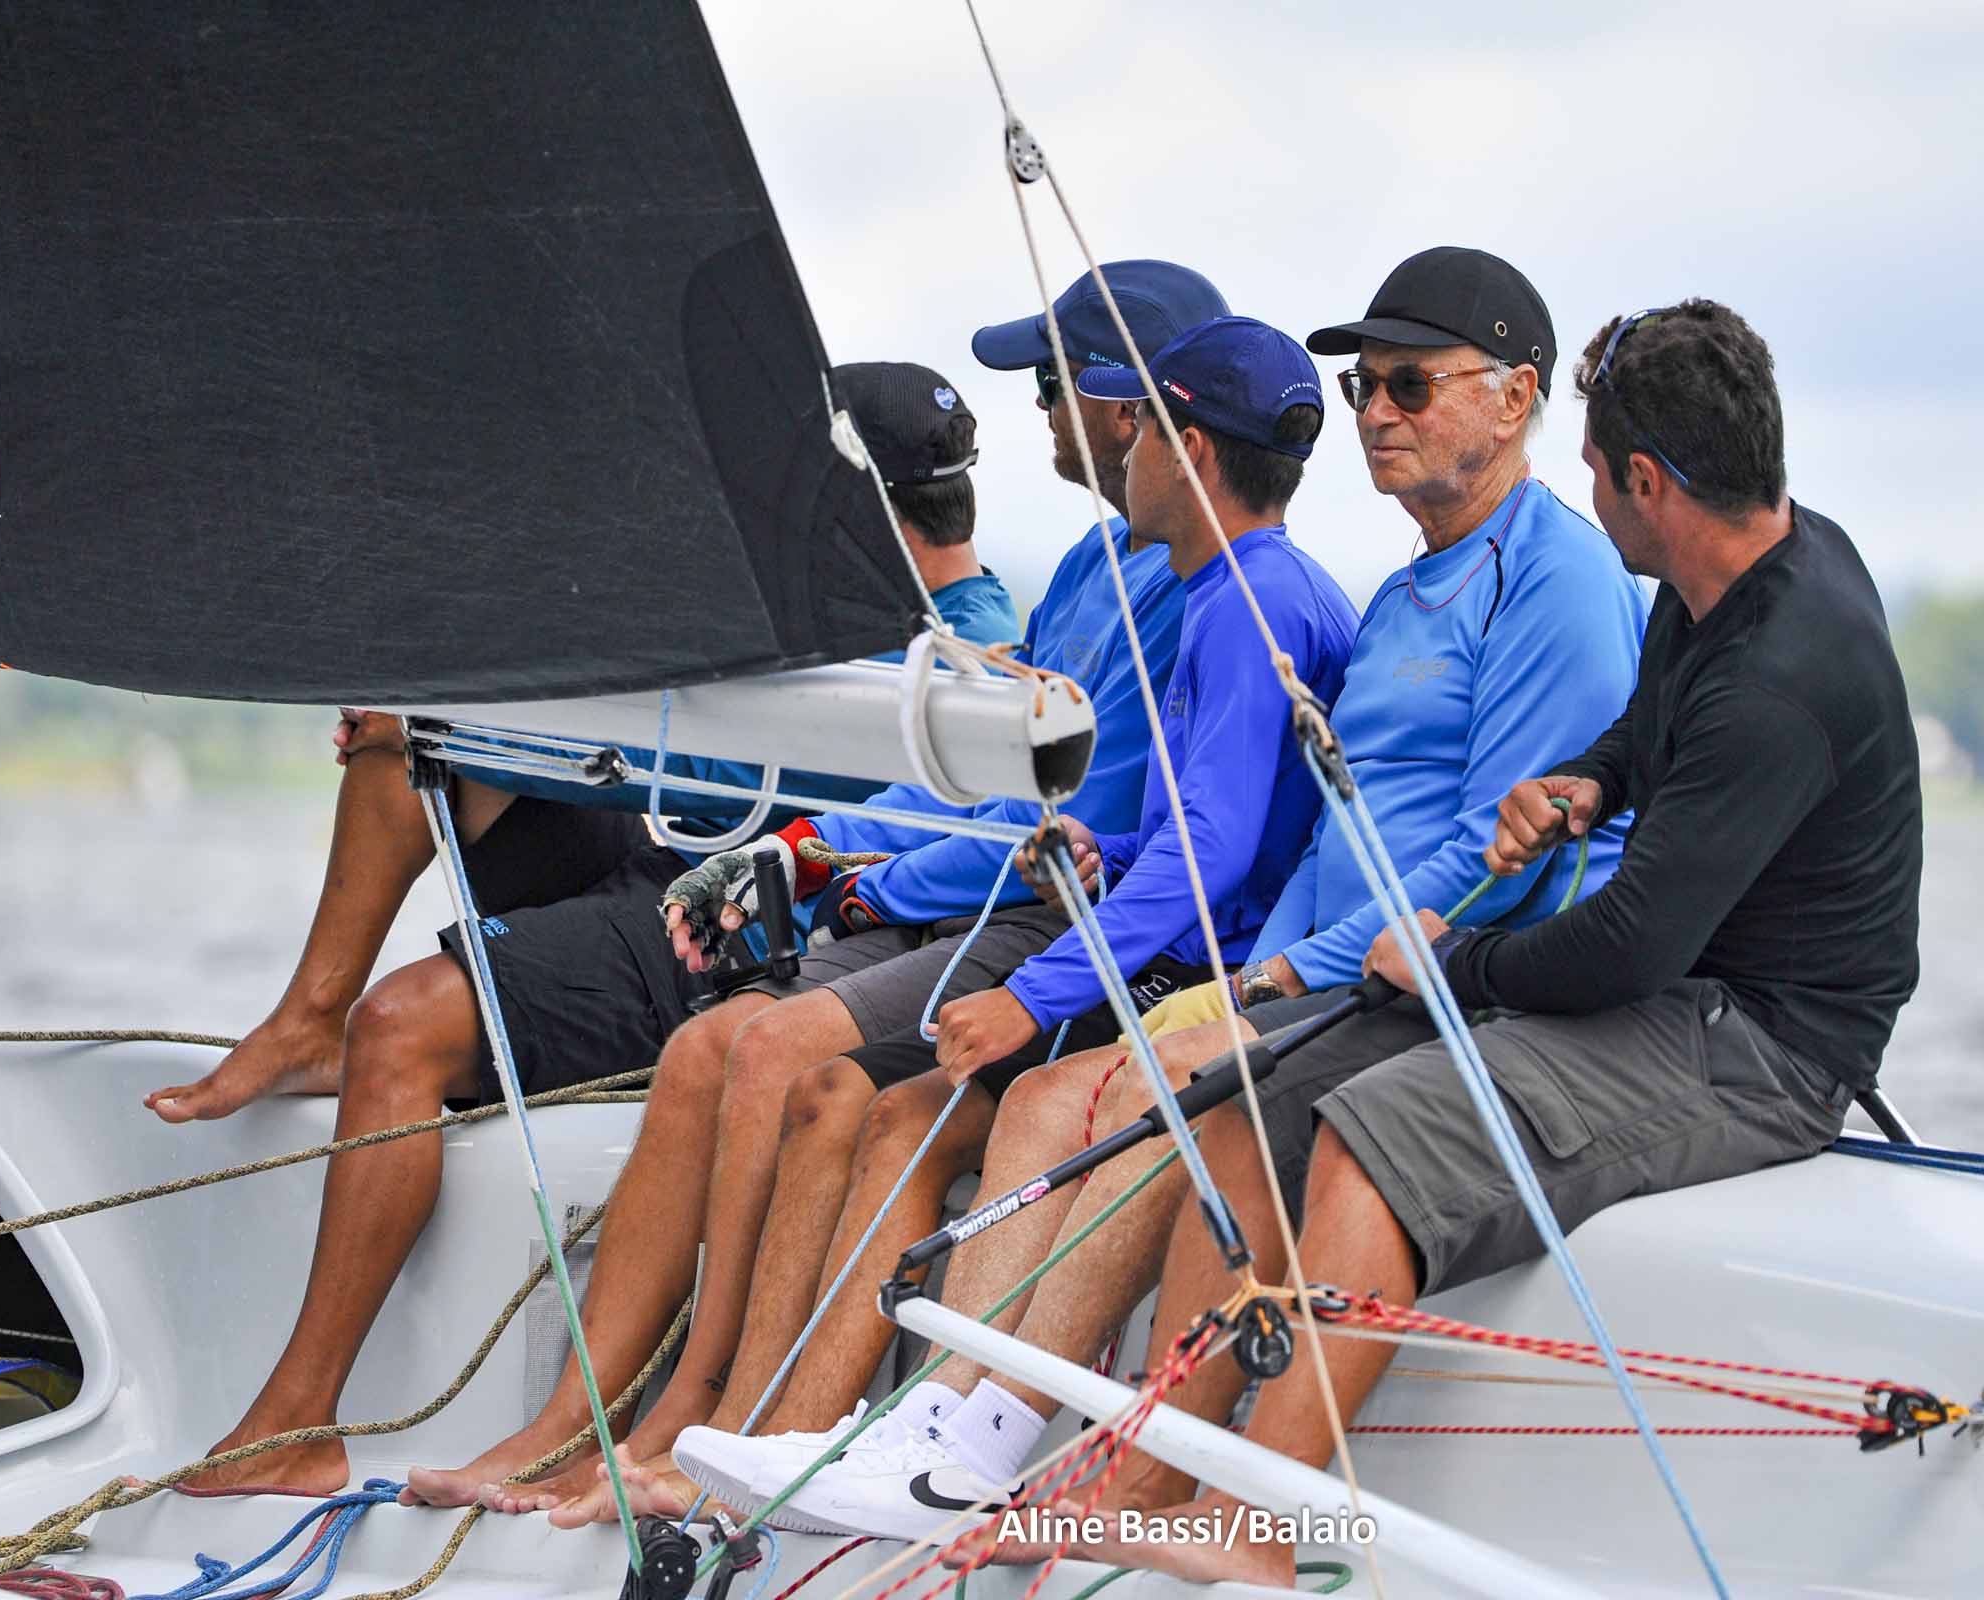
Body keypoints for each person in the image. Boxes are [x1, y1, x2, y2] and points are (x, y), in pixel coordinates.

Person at [680, 247, 1652, 1544]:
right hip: (1306, 959)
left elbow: (1494, 847)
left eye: (1408, 384)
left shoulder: (1551, 575)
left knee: (1130, 1087)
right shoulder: (1400, 589)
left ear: (1515, 395)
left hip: (1409, 975)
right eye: (1363, 385)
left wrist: (1277, 971)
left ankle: (992, 1443)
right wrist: (1243, 949)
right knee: (1039, 1097)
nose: (1376, 411)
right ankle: (938, 1430)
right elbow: (1315, 839)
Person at [1036, 298, 1925, 1590]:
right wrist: (1588, 781)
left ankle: (1260, 1529)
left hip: (1760, 1044)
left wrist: (1443, 961)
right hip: (1673, 987)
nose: (1583, 489)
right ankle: (1139, 1483)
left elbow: (1625, 948)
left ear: (1644, 482)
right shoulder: (1728, 568)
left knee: (1375, 1134)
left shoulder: (1779, 677)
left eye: (1593, 467)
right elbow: (1649, 732)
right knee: (1248, 1095)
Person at [400, 263, 1231, 1518]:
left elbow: (1067, 820)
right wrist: (817, 847)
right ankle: (573, 1422)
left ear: (1127, 404)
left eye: (1053, 385)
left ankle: (697, 1416)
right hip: (961, 893)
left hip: (1044, 919)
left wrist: (859, 873)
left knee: (775, 1052)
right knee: (704, 1050)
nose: (1041, 412)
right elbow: (979, 781)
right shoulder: (1091, 562)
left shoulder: (1176, 592)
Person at [171, 360, 1022, 1495]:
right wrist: (446, 716)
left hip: (736, 917)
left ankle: (297, 1427)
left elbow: (746, 786)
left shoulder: (962, 656)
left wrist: (491, 733)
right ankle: (302, 1019)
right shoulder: (830, 607)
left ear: (855, 508)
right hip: (670, 847)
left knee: (403, 1026)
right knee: (401, 736)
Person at [581, 313, 1363, 1531]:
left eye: (1140, 430)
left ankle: (882, 1436)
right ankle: (797, 1440)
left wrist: (1029, 995)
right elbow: (1193, 831)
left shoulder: (1240, 601)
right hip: (1165, 941)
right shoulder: (1239, 588)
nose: (1119, 448)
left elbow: (1208, 857)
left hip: (1189, 970)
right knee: (891, 1109)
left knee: (913, 1096)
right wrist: (1092, 861)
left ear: (1191, 448)